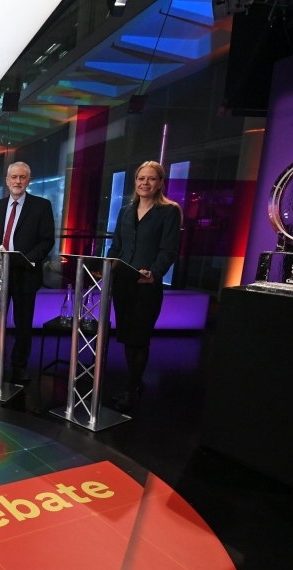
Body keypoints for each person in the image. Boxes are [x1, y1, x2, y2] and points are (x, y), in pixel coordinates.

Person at [107, 160, 182, 412]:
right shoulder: (126, 211)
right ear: (135, 182)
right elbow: (116, 247)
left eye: (151, 179)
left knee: (140, 338)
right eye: (141, 178)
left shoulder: (169, 211)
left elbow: (168, 249)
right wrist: (106, 266)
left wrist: (155, 272)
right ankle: (134, 382)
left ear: (160, 183)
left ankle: (131, 387)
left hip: (146, 285)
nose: (145, 183)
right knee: (128, 337)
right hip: (123, 283)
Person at [0, 161, 56, 384]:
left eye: (22, 177)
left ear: (28, 180)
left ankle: (19, 367)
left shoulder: (41, 206)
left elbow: (46, 241)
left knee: (23, 324)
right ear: (7, 181)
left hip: (25, 273)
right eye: (14, 177)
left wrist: (26, 259)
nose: (18, 181)